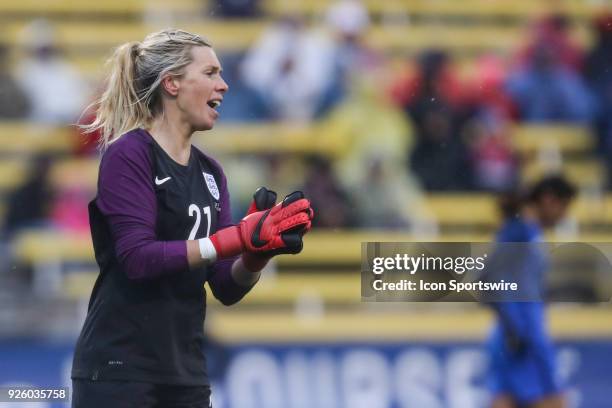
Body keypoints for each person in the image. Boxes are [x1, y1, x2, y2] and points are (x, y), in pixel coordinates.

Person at [70, 29, 314, 408]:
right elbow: (137, 259)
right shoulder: (129, 154)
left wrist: (257, 252)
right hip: (120, 369)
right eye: (211, 73)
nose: (225, 84)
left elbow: (225, 287)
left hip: (185, 372)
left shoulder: (211, 173)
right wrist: (233, 239)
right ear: (172, 84)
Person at [486, 176, 576, 408]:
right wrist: (514, 323)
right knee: (553, 399)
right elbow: (488, 278)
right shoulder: (520, 232)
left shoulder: (527, 232)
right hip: (522, 336)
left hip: (516, 333)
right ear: (549, 200)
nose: (564, 216)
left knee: (506, 398)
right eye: (564, 207)